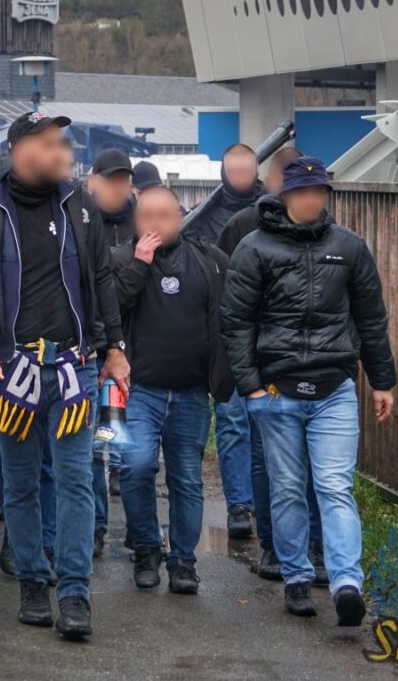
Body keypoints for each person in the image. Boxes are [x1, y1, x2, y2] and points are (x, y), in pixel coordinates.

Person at [0, 111, 128, 640]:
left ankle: (75, 594)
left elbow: (100, 276)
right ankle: (33, 581)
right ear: (20, 150)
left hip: (75, 364)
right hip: (13, 369)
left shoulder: (79, 205)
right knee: (22, 483)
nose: (59, 150)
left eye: (60, 141)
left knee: (76, 481)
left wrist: (114, 348)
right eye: (48, 141)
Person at [221, 157, 396, 627]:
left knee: (335, 486)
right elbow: (235, 323)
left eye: (319, 191)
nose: (312, 199)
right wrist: (252, 388)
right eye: (303, 191)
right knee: (288, 489)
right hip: (277, 390)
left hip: (335, 388)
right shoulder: (254, 248)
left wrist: (382, 381)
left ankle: (346, 584)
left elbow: (371, 318)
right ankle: (296, 576)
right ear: (286, 195)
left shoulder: (349, 247)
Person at [109, 185, 234, 595]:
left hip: (191, 392)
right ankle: (146, 548)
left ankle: (183, 560)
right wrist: (139, 265)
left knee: (187, 478)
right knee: (136, 466)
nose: (156, 224)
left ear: (179, 217)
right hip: (134, 390)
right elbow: (109, 311)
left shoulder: (209, 260)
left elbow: (228, 316)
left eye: (164, 215)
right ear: (136, 220)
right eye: (147, 216)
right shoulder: (120, 260)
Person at [217, 143, 325, 579]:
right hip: (266, 365)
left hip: (317, 367)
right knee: (268, 460)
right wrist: (243, 372)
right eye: (299, 185)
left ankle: (312, 548)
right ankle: (275, 547)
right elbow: (231, 306)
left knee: (315, 465)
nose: (307, 197)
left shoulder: (333, 238)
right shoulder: (244, 229)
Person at [191, 142, 267, 540]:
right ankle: (239, 503)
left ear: (256, 170)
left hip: (268, 333)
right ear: (224, 172)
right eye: (233, 172)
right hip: (225, 330)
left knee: (263, 422)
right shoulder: (206, 214)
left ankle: (260, 501)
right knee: (233, 419)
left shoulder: (271, 211)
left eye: (246, 171)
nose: (240, 179)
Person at [84, 147, 136, 554]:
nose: (118, 187)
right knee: (91, 450)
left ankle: (138, 532)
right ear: (93, 180)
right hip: (94, 351)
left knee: (124, 448)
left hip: (132, 352)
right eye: (111, 179)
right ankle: (96, 528)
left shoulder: (142, 221)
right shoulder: (79, 221)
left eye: (124, 180)